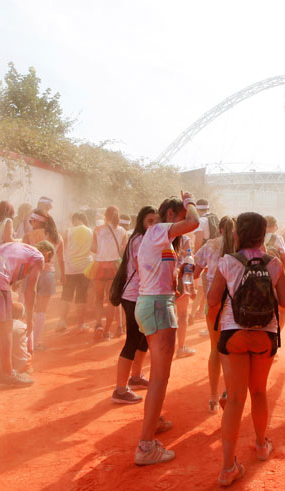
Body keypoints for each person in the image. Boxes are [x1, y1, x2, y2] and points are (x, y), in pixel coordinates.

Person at [207, 212, 285, 486]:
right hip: (264, 335)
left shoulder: (228, 261)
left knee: (234, 399)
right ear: (263, 235)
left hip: (233, 333)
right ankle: (260, 445)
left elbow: (211, 300)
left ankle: (227, 466)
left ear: (237, 234)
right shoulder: (273, 262)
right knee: (258, 392)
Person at [133, 193, 199, 466]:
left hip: (153, 303)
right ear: (171, 214)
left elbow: (160, 274)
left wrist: (177, 279)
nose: (183, 224)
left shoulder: (158, 238)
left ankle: (154, 420)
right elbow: (195, 221)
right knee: (160, 377)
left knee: (159, 375)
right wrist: (191, 202)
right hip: (158, 307)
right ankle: (146, 447)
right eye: (179, 218)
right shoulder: (159, 230)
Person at [0, 241, 53, 387]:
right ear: (46, 253)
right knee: (5, 326)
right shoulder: (38, 256)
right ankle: (8, 375)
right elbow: (30, 290)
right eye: (48, 259)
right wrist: (30, 319)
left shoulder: (16, 246)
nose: (45, 265)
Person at [112, 206, 158, 404]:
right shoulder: (140, 240)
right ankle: (120, 390)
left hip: (140, 295)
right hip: (133, 295)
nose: (153, 225)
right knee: (132, 339)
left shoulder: (143, 238)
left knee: (141, 338)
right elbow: (142, 270)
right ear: (141, 221)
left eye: (156, 221)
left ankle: (136, 377)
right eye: (150, 221)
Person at [195, 216, 236, 412]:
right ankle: (228, 391)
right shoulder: (241, 246)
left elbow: (193, 272)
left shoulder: (210, 245)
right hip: (236, 306)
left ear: (219, 229)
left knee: (215, 349)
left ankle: (212, 399)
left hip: (213, 304)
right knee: (233, 352)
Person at [22, 209, 64, 351]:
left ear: (38, 220)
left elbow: (23, 258)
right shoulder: (57, 237)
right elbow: (61, 260)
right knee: (41, 311)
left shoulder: (28, 236)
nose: (30, 223)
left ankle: (24, 342)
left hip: (30, 274)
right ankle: (35, 343)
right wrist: (63, 276)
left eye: (31, 220)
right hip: (48, 274)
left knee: (27, 309)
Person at [90, 206, 127, 339]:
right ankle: (106, 331)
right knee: (112, 301)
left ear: (106, 216)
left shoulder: (97, 229)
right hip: (114, 267)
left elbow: (93, 248)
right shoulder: (122, 231)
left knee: (99, 299)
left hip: (99, 266)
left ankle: (99, 324)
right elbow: (123, 251)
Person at [59, 212, 93, 331]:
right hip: (85, 267)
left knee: (66, 295)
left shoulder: (68, 231)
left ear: (75, 220)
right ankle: (80, 325)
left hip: (70, 267)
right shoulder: (90, 231)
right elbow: (94, 248)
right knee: (81, 296)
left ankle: (62, 322)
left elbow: (61, 247)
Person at [174, 233, 196, 358]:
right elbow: (188, 264)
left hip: (163, 280)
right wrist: (191, 288)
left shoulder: (161, 236)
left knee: (164, 315)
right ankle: (180, 348)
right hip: (180, 280)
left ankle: (160, 346)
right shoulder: (185, 240)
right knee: (182, 316)